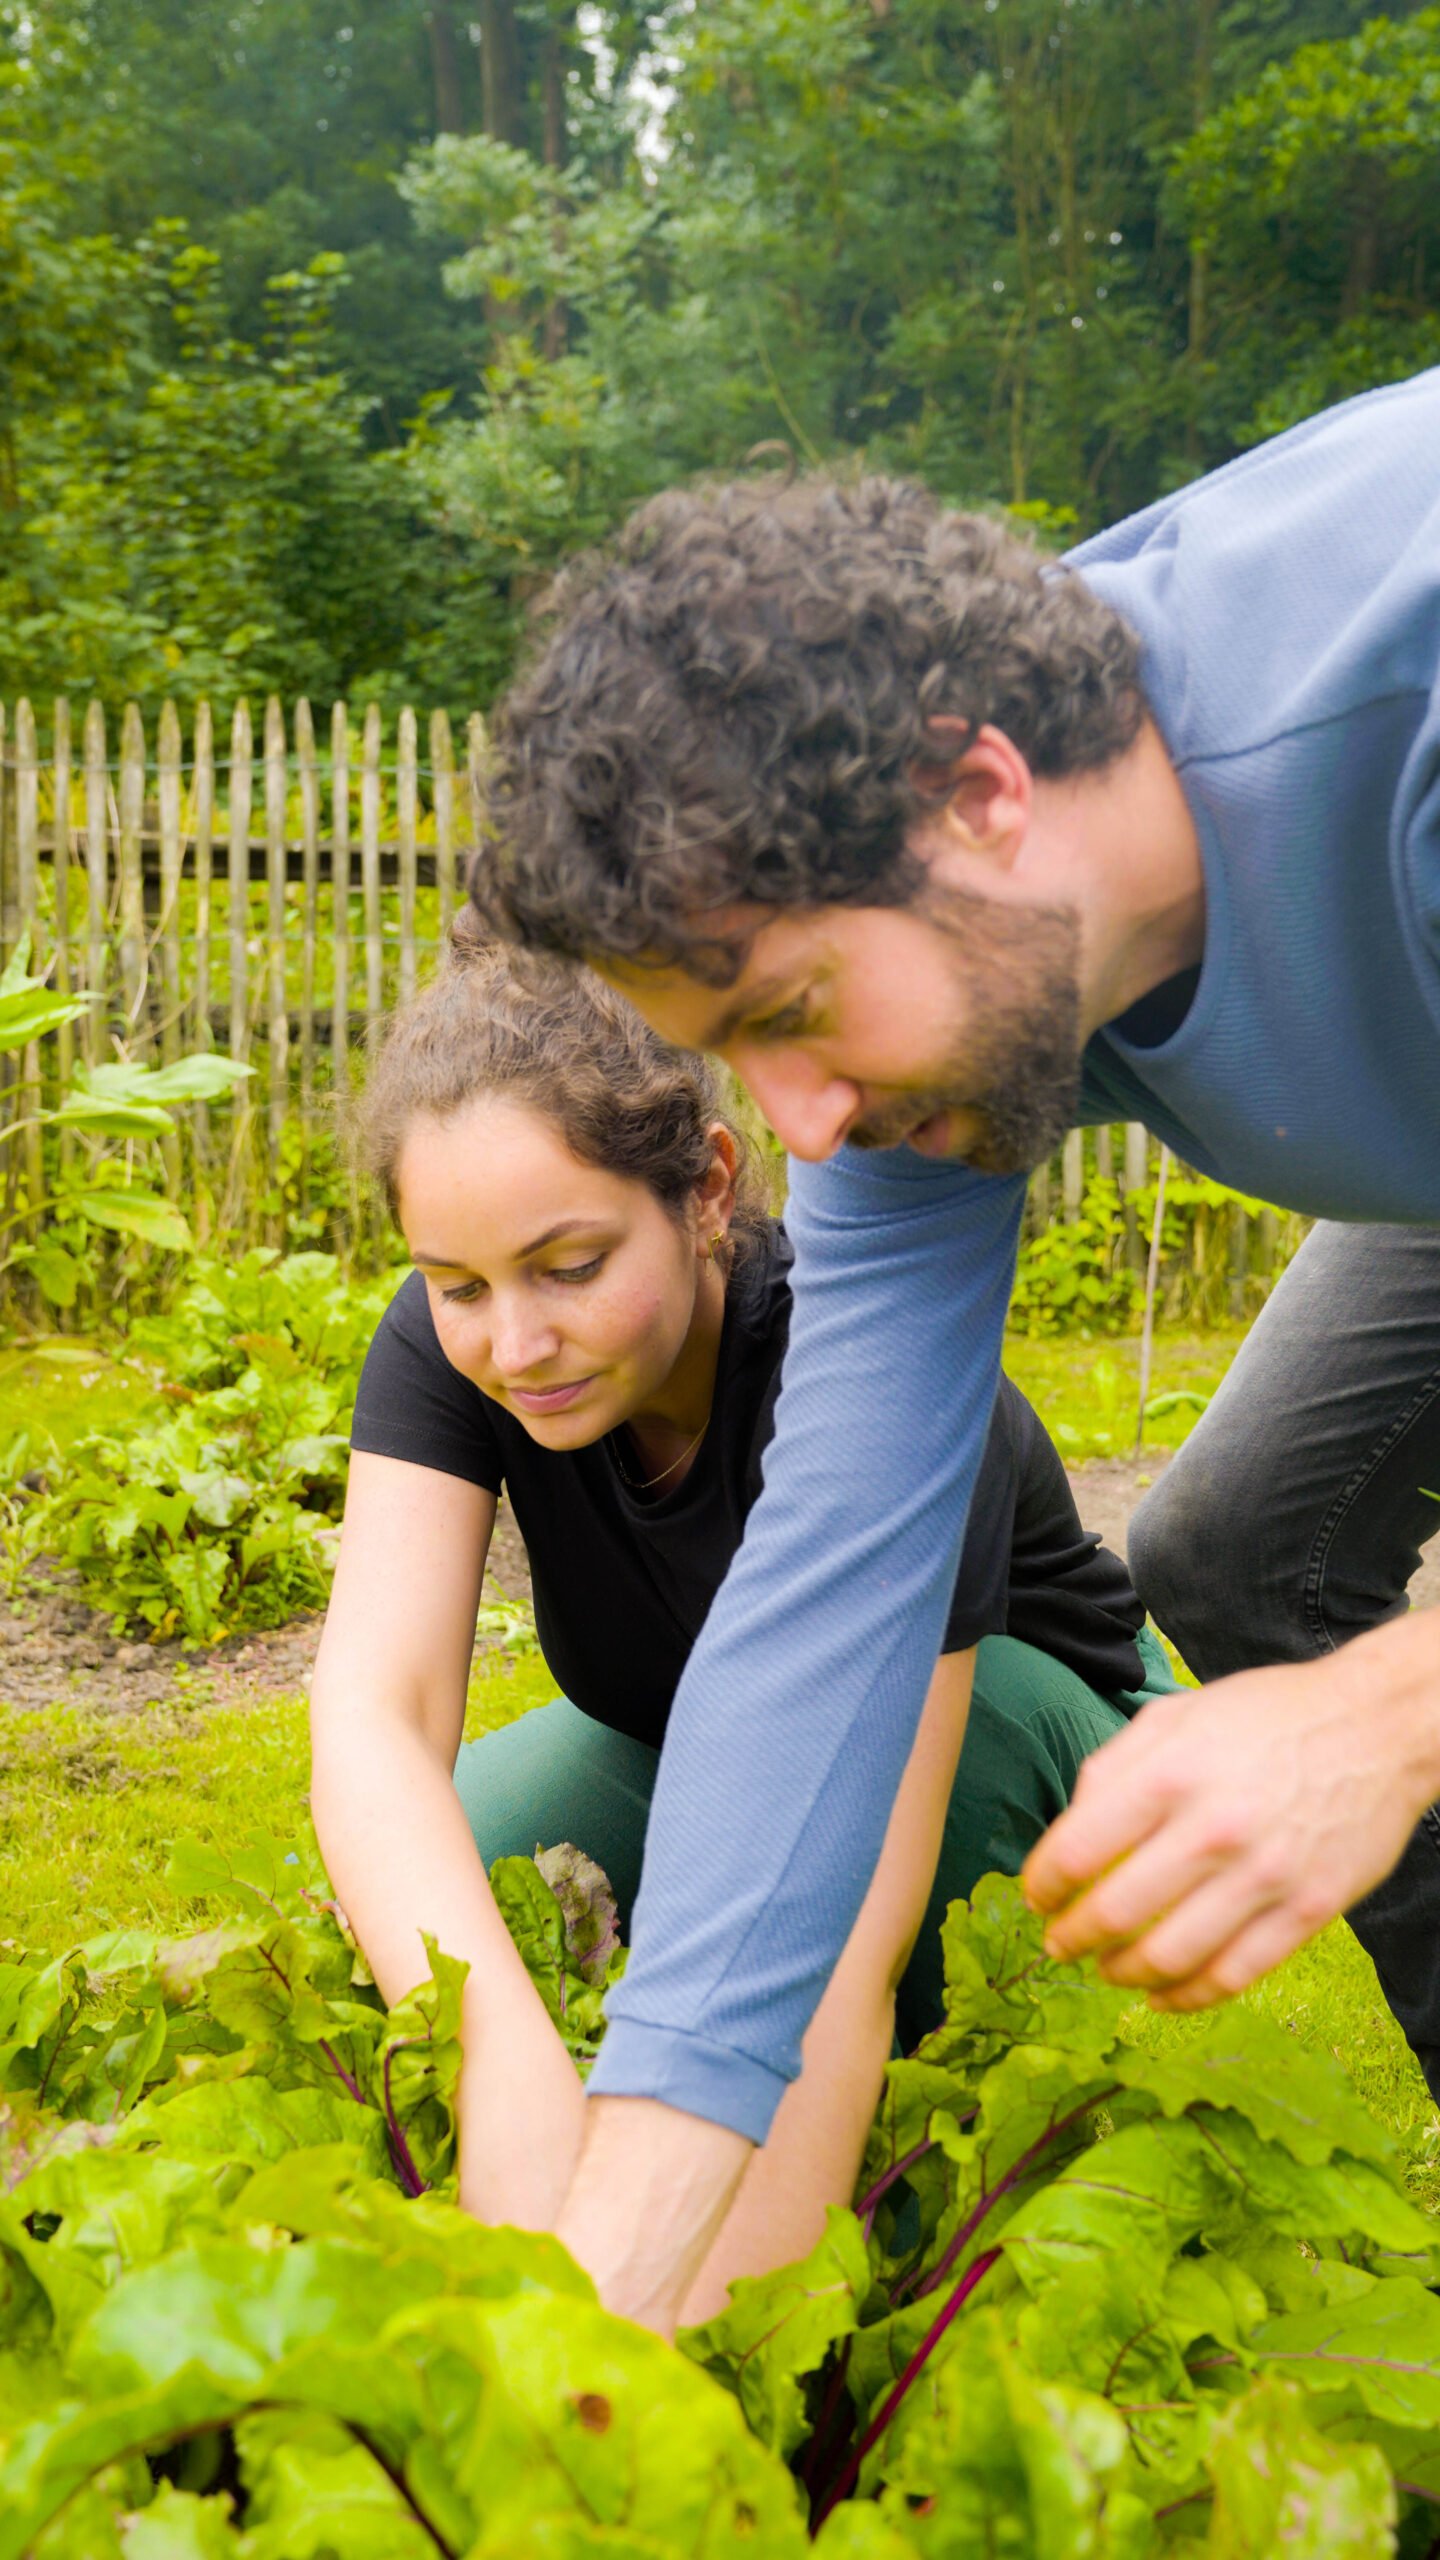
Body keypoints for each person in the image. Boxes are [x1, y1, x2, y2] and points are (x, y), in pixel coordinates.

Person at [469, 365, 1440, 2332]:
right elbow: (830, 1585)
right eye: (735, 1052)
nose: (798, 1126)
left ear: (984, 794)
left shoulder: (1395, 740)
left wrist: (1385, 1716)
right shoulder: (945, 965)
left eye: (794, 1011)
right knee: (1250, 1547)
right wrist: (604, 2305)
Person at [309, 937, 1175, 2317]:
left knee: (915, 1801)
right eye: (459, 1285)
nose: (514, 1343)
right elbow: (376, 1720)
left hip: (1042, 1740)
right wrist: (503, 2078)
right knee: (449, 1855)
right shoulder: (451, 1347)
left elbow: (852, 1904)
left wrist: (730, 2318)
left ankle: (884, 2193)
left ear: (706, 1189)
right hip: (718, 1756)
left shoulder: (869, 1355)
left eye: (570, 1266)